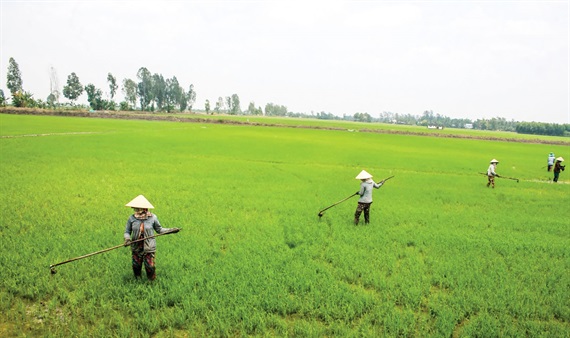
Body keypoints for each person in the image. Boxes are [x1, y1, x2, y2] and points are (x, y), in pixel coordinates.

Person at [124, 195, 179, 280]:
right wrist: (127, 239)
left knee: (150, 266)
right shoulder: (131, 218)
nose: (136, 210)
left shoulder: (152, 218)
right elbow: (127, 232)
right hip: (136, 246)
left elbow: (159, 230)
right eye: (135, 208)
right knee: (136, 265)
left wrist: (171, 230)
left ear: (144, 208)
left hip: (149, 246)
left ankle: (151, 281)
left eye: (138, 208)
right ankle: (137, 280)